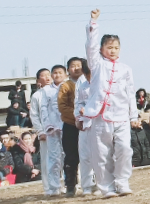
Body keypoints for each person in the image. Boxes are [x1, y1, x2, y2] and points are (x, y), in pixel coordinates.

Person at [83, 9, 138, 197]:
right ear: (101, 49)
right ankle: (106, 187)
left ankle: (122, 182)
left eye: (116, 47)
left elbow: (130, 93)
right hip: (100, 115)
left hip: (121, 115)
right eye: (109, 47)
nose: (112, 51)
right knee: (101, 154)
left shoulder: (126, 69)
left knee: (124, 149)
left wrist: (134, 115)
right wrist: (94, 22)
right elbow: (90, 46)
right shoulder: (96, 64)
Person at [40, 64, 68, 196]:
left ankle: (71, 184)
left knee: (69, 156)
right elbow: (43, 109)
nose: (57, 75)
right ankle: (54, 187)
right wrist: (47, 126)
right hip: (52, 128)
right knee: (54, 157)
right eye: (55, 73)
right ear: (52, 75)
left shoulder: (70, 87)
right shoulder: (46, 91)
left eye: (60, 73)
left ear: (65, 74)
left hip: (67, 125)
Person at [58, 57, 83, 197]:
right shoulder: (65, 86)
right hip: (71, 125)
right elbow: (62, 106)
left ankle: (92, 183)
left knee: (90, 155)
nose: (76, 68)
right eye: (73, 66)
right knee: (71, 157)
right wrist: (77, 116)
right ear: (68, 70)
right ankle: (70, 186)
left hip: (87, 125)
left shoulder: (88, 83)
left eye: (79, 65)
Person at [74, 58, 98, 196]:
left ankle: (103, 183)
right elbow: (78, 103)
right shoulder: (81, 84)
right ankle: (87, 186)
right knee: (85, 156)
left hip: (99, 122)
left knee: (101, 155)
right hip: (84, 124)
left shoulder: (102, 83)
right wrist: (79, 118)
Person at [29, 69, 51, 195]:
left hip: (61, 130)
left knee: (66, 158)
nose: (47, 77)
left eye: (49, 75)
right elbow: (34, 115)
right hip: (46, 133)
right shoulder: (36, 96)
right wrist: (40, 131)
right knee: (47, 160)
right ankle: (49, 188)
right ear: (38, 81)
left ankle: (69, 184)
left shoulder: (59, 91)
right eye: (44, 76)